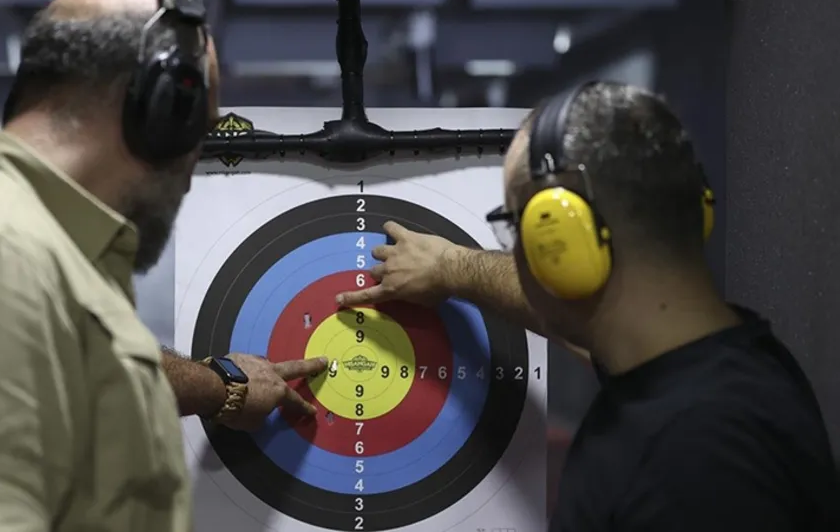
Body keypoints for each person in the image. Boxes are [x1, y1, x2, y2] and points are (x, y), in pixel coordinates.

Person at [0, 0, 325, 531]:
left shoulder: (36, 250)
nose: (191, 171)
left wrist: (222, 387)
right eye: (195, 130)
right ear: (155, 111)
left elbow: (81, 367)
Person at [336, 81, 839, 531]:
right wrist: (452, 269)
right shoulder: (716, 368)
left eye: (522, 228)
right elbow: (575, 317)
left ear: (564, 240)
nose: (522, 251)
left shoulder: (696, 459)